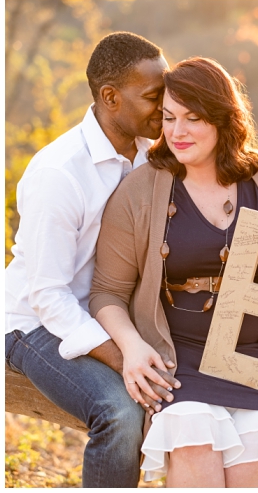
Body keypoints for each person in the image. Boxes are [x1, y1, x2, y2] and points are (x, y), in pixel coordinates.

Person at [89, 57, 258, 487]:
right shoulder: (140, 191)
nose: (177, 132)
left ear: (222, 120)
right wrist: (134, 347)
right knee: (193, 437)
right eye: (169, 118)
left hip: (256, 364)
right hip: (180, 362)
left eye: (193, 118)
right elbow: (106, 293)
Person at [4, 32, 170, 487]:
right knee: (119, 411)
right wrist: (124, 359)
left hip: (111, 314)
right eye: (153, 97)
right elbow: (48, 294)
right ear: (110, 97)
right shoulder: (60, 174)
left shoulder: (148, 157)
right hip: (33, 322)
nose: (165, 108)